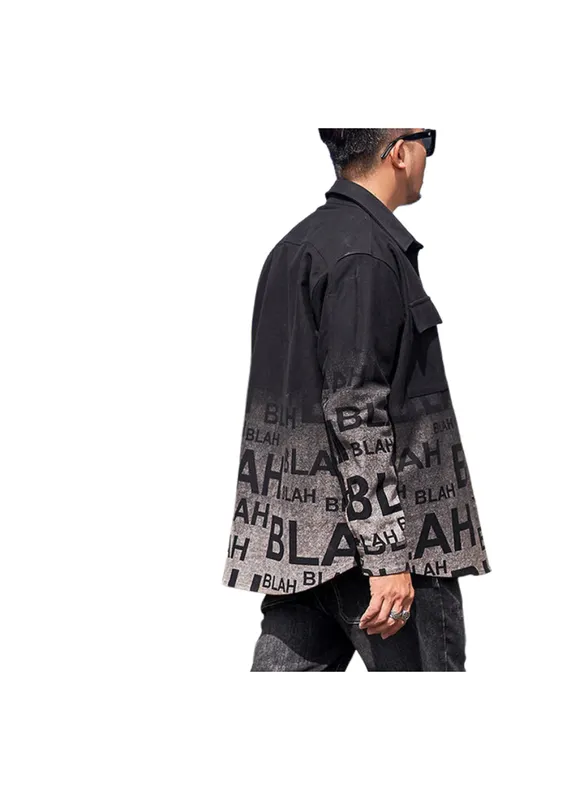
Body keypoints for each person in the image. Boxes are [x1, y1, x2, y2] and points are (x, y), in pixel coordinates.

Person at [222, 128, 491, 671]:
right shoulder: (366, 255)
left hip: (299, 550)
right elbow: (356, 411)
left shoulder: (294, 248)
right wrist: (387, 556)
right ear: (399, 151)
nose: (428, 154)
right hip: (388, 557)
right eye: (426, 138)